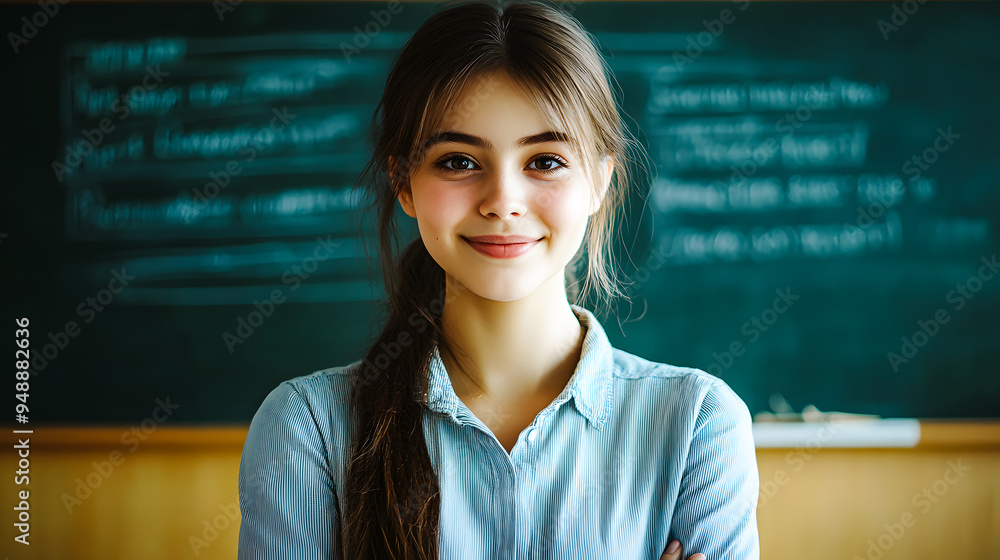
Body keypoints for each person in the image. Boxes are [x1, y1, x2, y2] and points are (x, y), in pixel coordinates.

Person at [237, 1, 759, 559]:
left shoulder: (698, 425)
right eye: (459, 161)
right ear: (404, 184)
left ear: (600, 183)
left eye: (545, 161)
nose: (503, 202)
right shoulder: (307, 429)